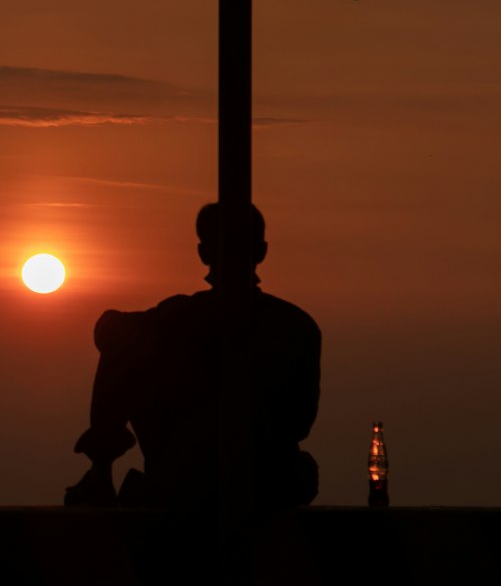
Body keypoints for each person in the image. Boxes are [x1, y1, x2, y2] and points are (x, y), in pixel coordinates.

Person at [64, 203, 320, 511]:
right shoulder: (298, 326)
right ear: (262, 251)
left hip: (181, 483)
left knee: (124, 342)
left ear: (203, 253)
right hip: (268, 483)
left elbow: (109, 332)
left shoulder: (173, 319)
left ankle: (100, 470)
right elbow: (301, 421)